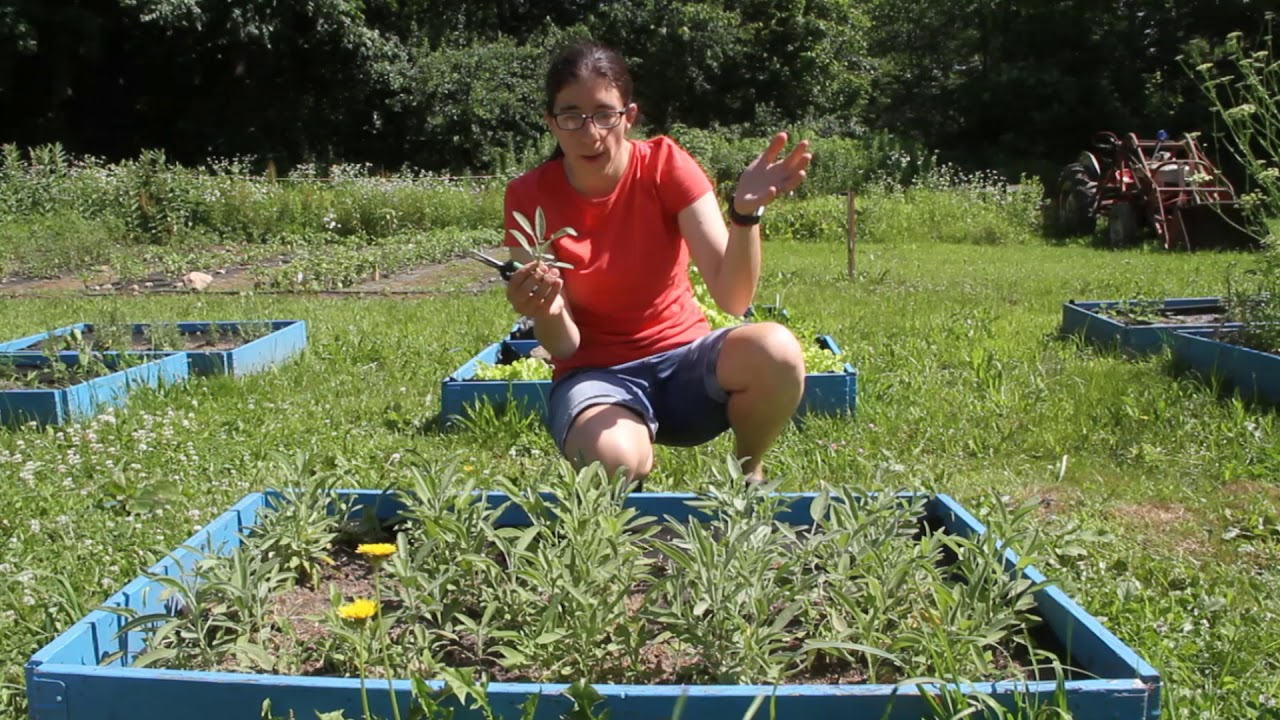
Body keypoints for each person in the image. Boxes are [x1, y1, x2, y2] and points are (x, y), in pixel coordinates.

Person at [502, 40, 812, 486]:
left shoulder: (665, 165)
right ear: (551, 121)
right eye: (571, 116)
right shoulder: (528, 195)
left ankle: (748, 473)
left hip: (686, 367)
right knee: (615, 463)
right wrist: (545, 307)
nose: (590, 134)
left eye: (604, 114)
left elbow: (733, 298)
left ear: (629, 115)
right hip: (598, 376)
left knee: (776, 350)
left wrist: (745, 216)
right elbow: (565, 345)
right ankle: (631, 454)